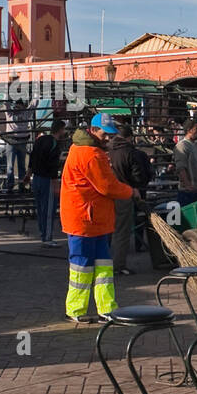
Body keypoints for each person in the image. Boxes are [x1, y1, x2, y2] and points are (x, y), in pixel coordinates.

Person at [60, 113, 134, 323]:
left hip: (91, 219)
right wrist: (130, 192)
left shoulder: (81, 149)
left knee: (100, 266)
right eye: (105, 134)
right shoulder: (91, 154)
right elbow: (107, 186)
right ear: (93, 130)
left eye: (111, 135)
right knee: (83, 266)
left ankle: (105, 308)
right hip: (85, 220)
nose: (108, 138)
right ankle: (77, 310)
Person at [108, 123, 152, 276]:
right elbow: (138, 175)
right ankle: (118, 265)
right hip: (124, 194)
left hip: (107, 194)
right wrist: (136, 188)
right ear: (129, 137)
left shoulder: (106, 150)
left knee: (106, 230)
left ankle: (103, 261)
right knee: (122, 231)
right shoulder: (130, 152)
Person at [26, 119, 67, 247]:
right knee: (49, 210)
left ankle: (42, 233)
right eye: (64, 129)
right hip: (47, 180)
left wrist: (28, 174)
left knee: (40, 209)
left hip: (36, 178)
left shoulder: (40, 140)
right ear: (60, 130)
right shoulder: (54, 144)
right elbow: (53, 166)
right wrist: (56, 186)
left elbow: (32, 157)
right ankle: (47, 237)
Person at [174, 120, 197, 206]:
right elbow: (181, 167)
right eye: (196, 129)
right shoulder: (182, 146)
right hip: (187, 192)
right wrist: (188, 185)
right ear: (189, 130)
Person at [4, 98, 32, 192]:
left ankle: (21, 186)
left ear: (23, 106)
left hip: (21, 141)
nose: (16, 107)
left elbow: (34, 104)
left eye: (18, 105)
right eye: (15, 105)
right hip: (12, 141)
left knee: (21, 165)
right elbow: (5, 102)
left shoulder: (25, 113)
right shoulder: (10, 113)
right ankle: (10, 186)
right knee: (10, 166)